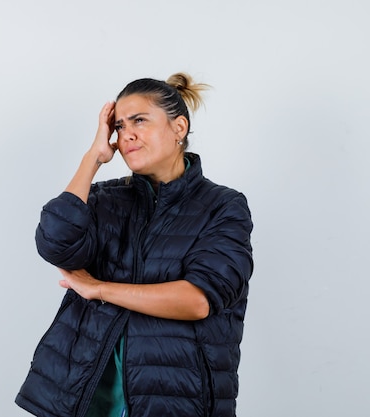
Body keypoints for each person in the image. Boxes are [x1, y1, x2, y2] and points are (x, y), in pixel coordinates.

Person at [15, 73, 253, 417]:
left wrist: (99, 289)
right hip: (83, 397)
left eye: (139, 120)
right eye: (119, 126)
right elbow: (55, 243)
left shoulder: (222, 206)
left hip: (174, 399)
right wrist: (92, 158)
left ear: (179, 127)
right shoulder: (104, 199)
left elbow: (197, 300)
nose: (127, 134)